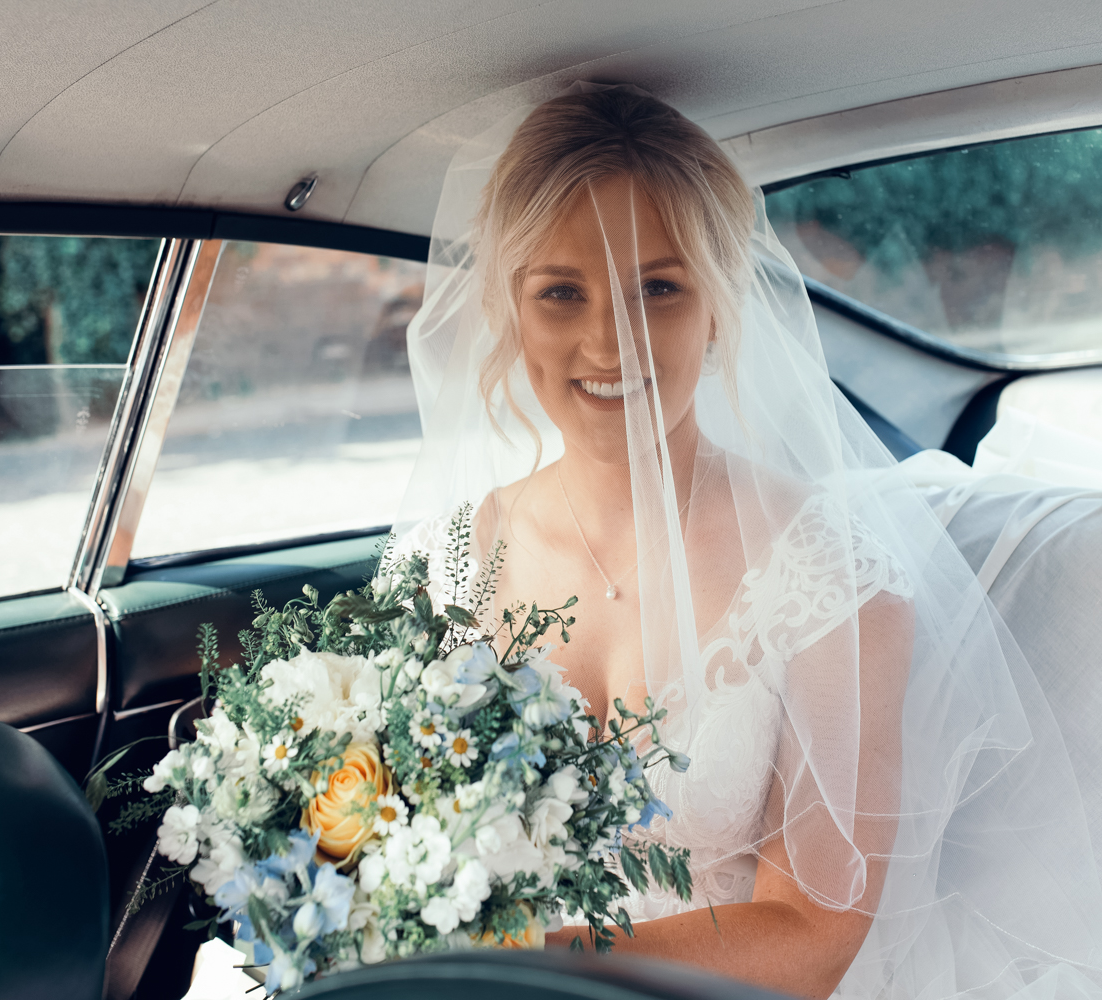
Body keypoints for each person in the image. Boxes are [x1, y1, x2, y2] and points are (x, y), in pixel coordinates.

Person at [394, 85, 1102, 999]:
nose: (608, 341)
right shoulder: (440, 561)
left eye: (657, 287)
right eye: (560, 293)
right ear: (508, 310)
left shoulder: (828, 576)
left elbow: (811, 937)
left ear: (722, 305)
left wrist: (524, 972)